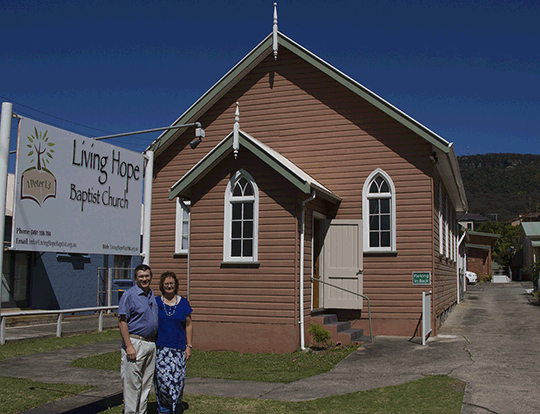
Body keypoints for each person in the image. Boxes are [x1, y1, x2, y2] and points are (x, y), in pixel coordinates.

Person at [118, 264, 159, 414]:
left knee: (146, 385)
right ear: (135, 278)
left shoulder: (151, 294)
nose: (144, 279)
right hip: (136, 343)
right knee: (132, 385)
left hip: (150, 344)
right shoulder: (129, 295)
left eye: (147, 276)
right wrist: (129, 346)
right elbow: (122, 321)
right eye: (141, 276)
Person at [154, 271, 193, 414]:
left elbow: (189, 325)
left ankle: (176, 408)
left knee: (177, 382)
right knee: (162, 382)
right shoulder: (156, 302)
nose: (169, 286)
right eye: (166, 284)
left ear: (175, 285)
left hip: (178, 349)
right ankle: (163, 409)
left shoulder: (183, 303)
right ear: (162, 286)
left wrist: (188, 346)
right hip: (161, 349)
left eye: (171, 283)